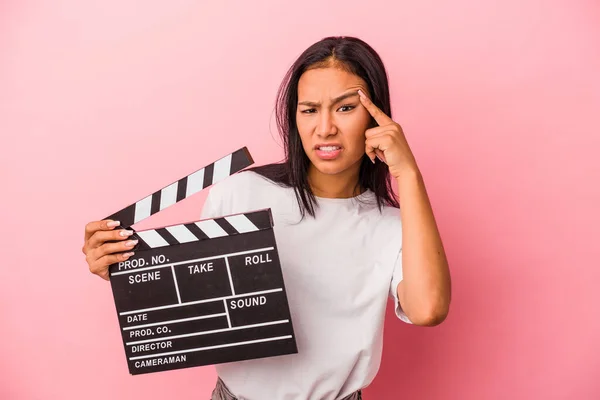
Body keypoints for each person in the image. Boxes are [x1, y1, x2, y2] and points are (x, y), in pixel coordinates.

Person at [82, 36, 451, 400]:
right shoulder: (241, 193)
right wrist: (124, 269)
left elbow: (428, 309)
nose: (324, 129)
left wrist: (409, 173)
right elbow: (199, 298)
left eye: (344, 108)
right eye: (309, 110)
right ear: (293, 117)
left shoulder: (392, 225)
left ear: (377, 115)